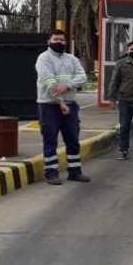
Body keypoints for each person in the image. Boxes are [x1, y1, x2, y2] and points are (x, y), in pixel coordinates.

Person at [35, 30, 91, 185]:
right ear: (49, 41)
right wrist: (60, 102)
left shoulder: (71, 59)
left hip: (70, 105)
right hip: (49, 106)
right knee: (50, 139)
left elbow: (82, 77)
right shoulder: (43, 59)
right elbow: (49, 82)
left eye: (62, 39)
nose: (59, 42)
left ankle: (74, 171)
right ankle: (51, 172)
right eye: (56, 39)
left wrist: (67, 85)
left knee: (73, 138)